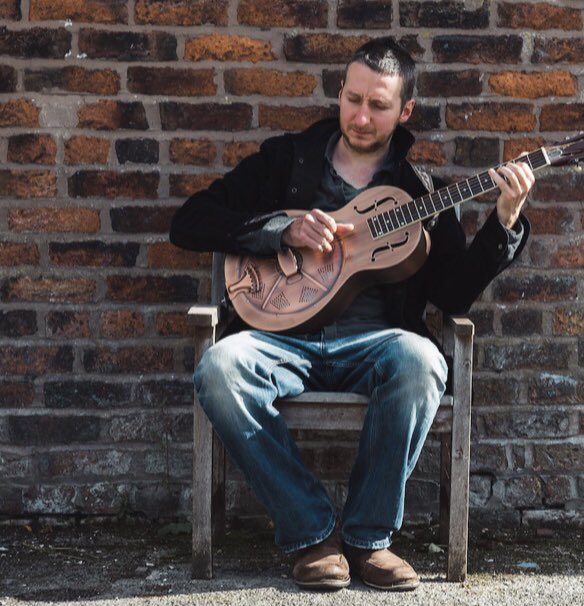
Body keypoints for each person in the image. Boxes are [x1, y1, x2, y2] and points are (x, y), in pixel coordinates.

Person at [169, 38, 534, 591]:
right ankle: (312, 534)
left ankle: (369, 540)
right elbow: (191, 221)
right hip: (279, 338)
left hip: (376, 344)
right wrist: (280, 231)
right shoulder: (284, 163)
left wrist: (503, 222)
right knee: (219, 368)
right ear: (339, 93)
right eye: (353, 98)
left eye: (379, 105)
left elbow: (453, 296)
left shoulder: (423, 193)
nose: (361, 116)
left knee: (422, 361)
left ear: (405, 111)